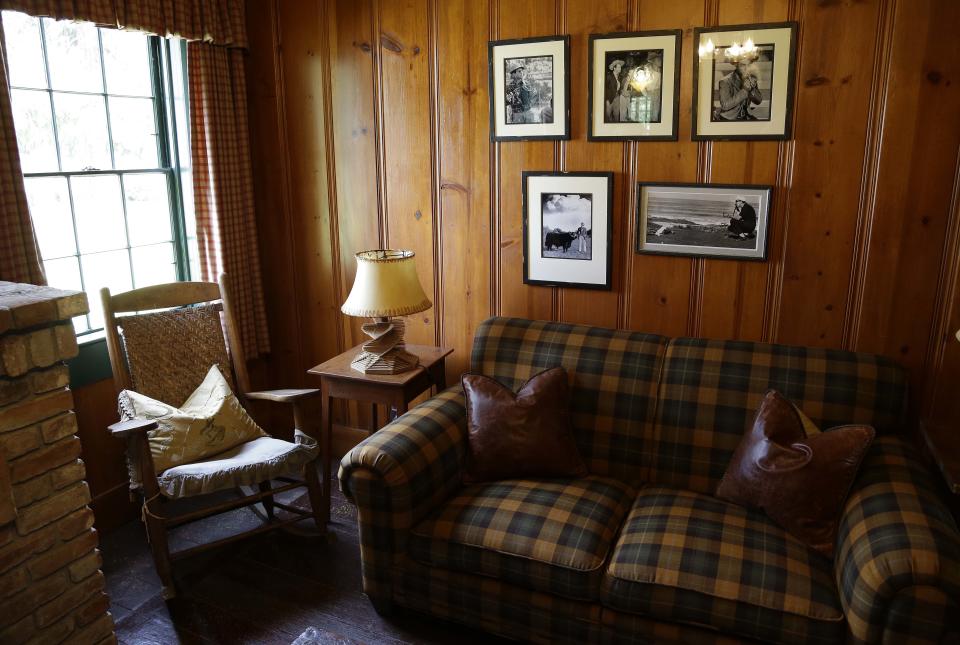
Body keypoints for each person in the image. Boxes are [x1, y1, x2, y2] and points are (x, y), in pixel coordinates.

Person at [714, 53, 762, 121]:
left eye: (748, 65)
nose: (746, 69)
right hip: (729, 119)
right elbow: (725, 105)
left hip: (746, 116)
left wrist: (752, 89)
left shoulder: (750, 78)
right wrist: (744, 90)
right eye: (742, 65)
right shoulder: (725, 81)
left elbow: (758, 101)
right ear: (736, 65)